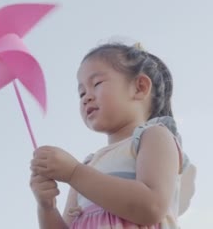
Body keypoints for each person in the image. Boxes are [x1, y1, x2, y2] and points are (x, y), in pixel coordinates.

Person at [30, 42, 196, 228]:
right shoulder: (87, 167)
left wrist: (73, 173)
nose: (86, 97)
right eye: (81, 92)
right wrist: (47, 208)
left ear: (139, 87)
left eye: (97, 83)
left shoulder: (155, 136)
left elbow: (151, 206)